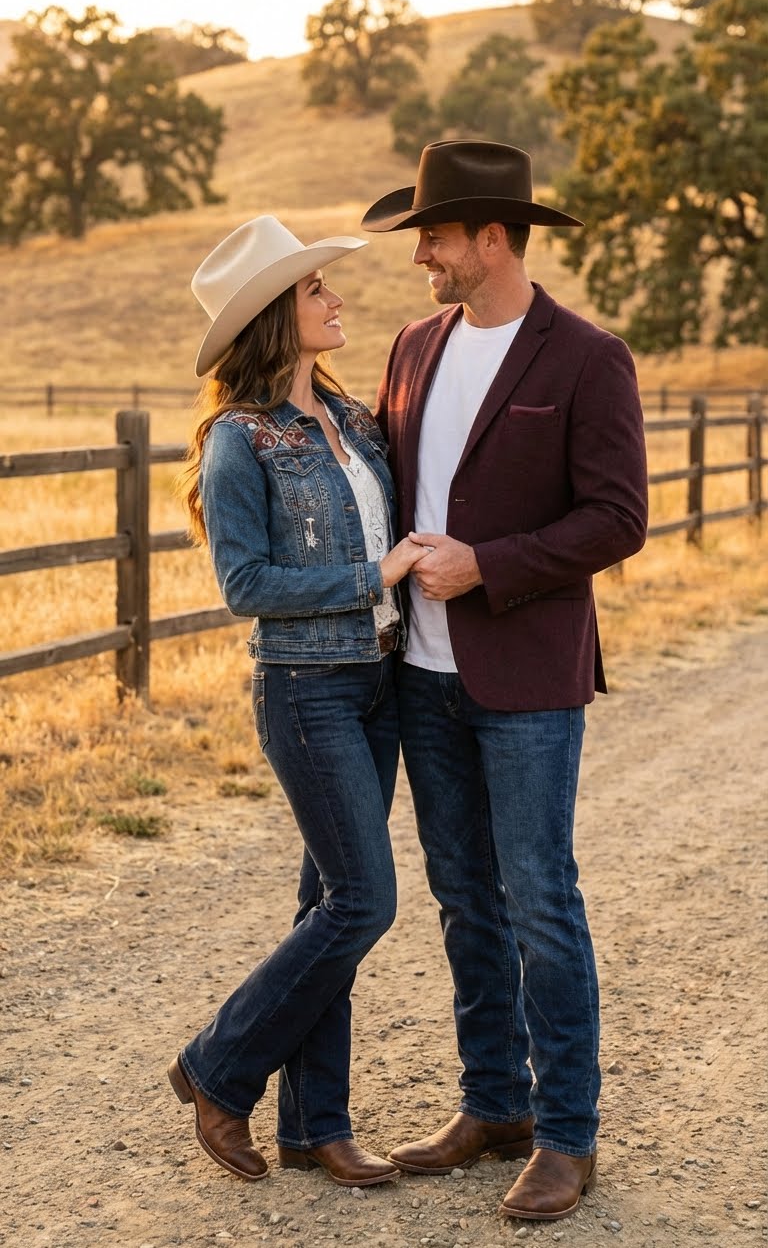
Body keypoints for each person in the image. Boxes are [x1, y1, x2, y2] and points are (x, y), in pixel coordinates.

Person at [361, 140, 648, 1222]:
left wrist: (488, 565)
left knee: (539, 898)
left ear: (492, 237)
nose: (420, 257)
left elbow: (617, 518)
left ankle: (568, 1134)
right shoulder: (412, 345)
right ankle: (494, 1105)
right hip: (422, 676)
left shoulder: (587, 358)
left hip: (527, 675)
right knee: (462, 898)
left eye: (433, 236)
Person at [168, 214, 427, 1188]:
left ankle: (317, 1124)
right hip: (306, 688)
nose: (336, 298)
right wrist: (373, 576)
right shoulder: (240, 441)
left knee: (327, 903)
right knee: (364, 901)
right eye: (316, 289)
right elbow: (246, 584)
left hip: (379, 682)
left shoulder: (356, 421)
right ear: (278, 314)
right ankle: (217, 1066)